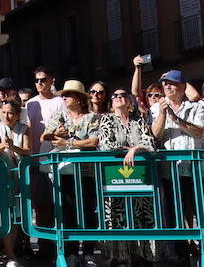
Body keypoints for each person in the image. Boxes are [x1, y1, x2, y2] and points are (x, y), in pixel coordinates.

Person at [150, 70, 204, 266]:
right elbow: (155, 137)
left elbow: (200, 132)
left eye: (172, 83)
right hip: (170, 172)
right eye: (164, 84)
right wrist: (162, 114)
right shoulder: (155, 109)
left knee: (200, 213)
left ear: (183, 87)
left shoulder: (196, 107)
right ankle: (182, 256)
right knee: (175, 214)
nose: (167, 87)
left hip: (195, 171)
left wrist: (176, 119)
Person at [43, 81, 100, 267]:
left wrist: (68, 144)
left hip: (86, 172)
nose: (64, 97)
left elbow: (93, 141)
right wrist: (54, 134)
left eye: (68, 94)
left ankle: (89, 251)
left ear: (79, 99)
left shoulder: (92, 117)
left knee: (87, 211)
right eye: (64, 94)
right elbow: (44, 136)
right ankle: (71, 253)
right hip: (64, 171)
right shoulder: (60, 116)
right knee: (67, 211)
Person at [97, 89, 154, 267]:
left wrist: (134, 149)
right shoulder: (106, 119)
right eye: (115, 96)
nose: (118, 97)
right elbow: (107, 145)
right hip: (115, 179)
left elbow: (150, 143)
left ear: (130, 102)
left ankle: (142, 256)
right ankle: (120, 258)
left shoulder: (139, 121)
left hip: (141, 181)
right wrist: (128, 148)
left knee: (142, 217)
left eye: (122, 95)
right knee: (118, 217)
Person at [25, 66, 65, 262]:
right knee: (41, 205)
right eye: (37, 80)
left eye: (43, 79)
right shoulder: (30, 104)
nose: (40, 83)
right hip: (35, 160)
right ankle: (44, 247)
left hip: (58, 160)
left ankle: (61, 247)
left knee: (60, 204)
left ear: (52, 80)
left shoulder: (60, 102)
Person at [0, 99, 30, 267]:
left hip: (19, 176)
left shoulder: (24, 129)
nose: (7, 116)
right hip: (0, 176)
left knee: (16, 216)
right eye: (4, 112)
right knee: (2, 214)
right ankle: (9, 255)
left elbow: (28, 151)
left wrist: (13, 147)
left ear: (17, 115)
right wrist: (2, 146)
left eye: (11, 113)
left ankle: (12, 253)